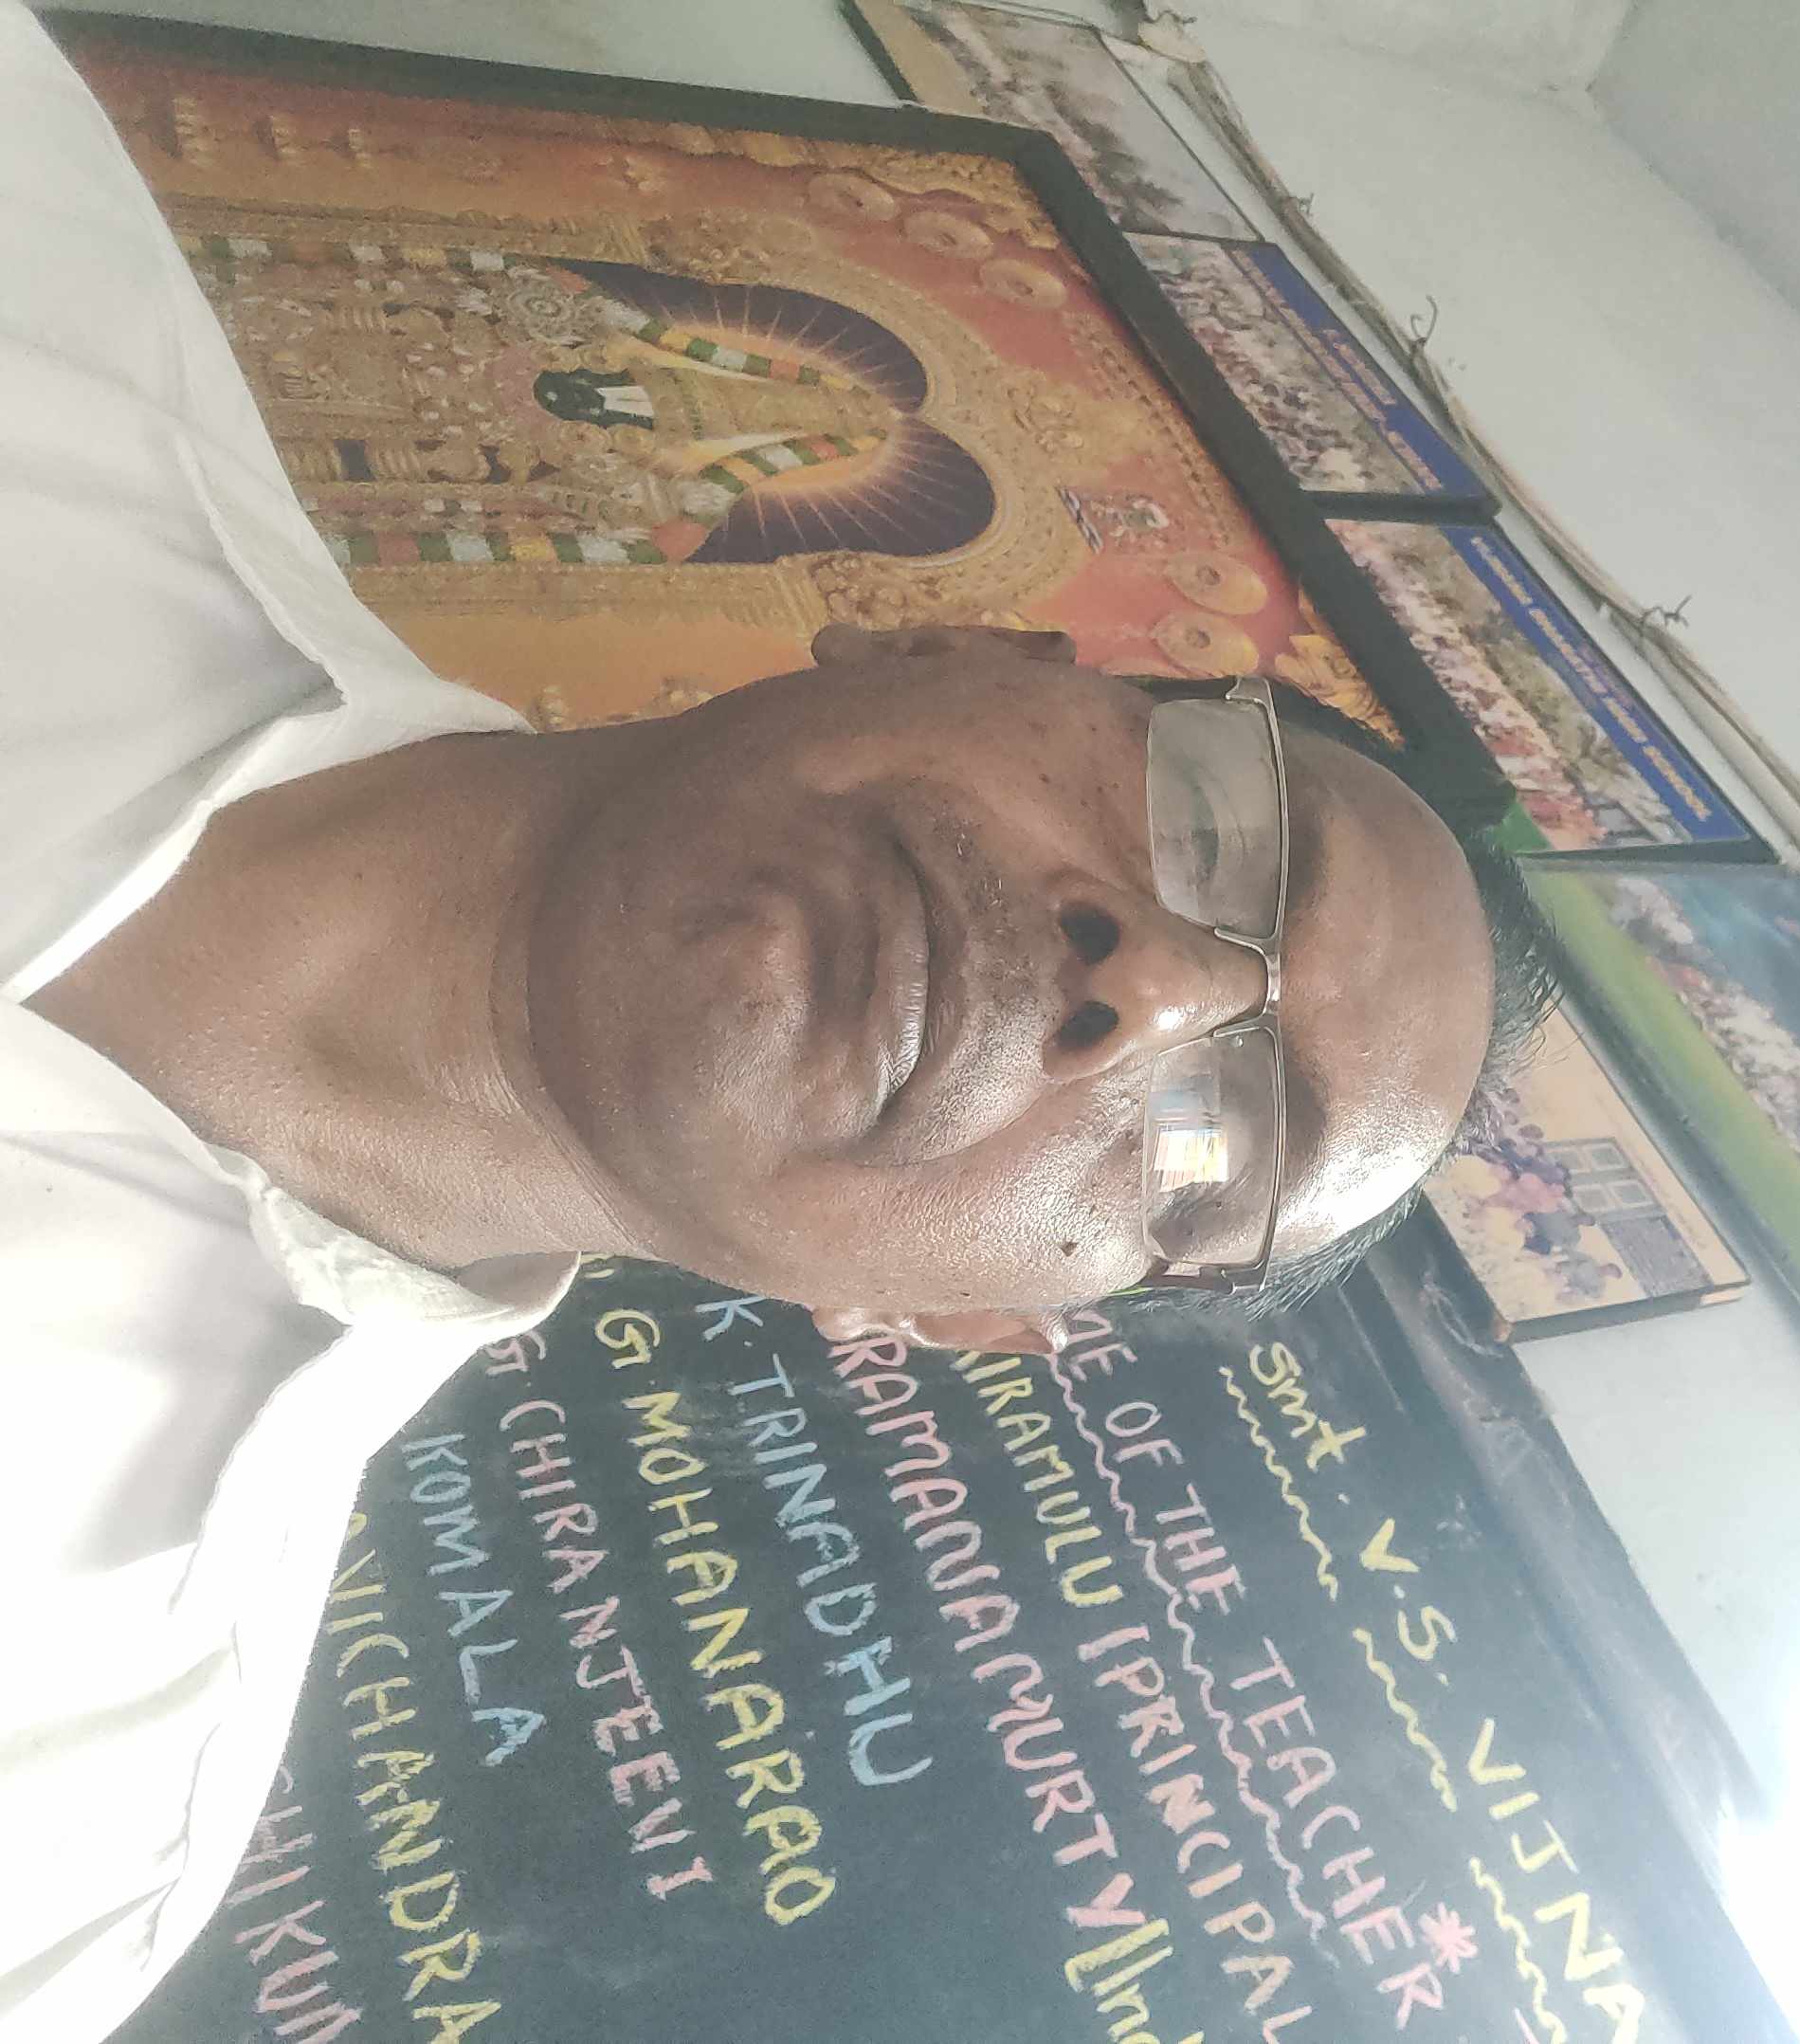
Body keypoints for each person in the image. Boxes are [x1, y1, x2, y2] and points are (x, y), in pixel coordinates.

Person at [0, 9, 1546, 2039]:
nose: (1151, 989)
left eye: (1209, 1146)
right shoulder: (35, 277)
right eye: (1213, 826)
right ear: (937, 636)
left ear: (969, 1319)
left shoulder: (74, 1791)